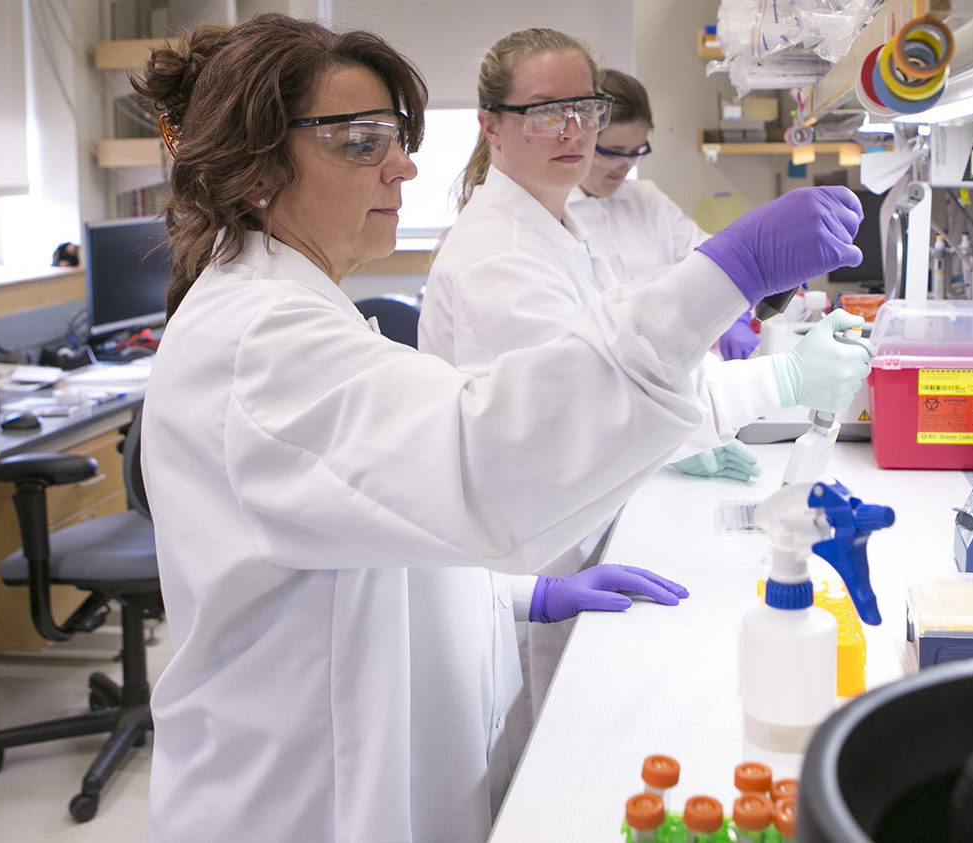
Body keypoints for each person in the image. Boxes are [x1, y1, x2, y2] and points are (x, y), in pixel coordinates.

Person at [129, 14, 863, 843]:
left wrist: (525, 596)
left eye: (397, 136)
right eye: (361, 141)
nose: (404, 166)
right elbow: (486, 460)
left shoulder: (296, 308)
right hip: (299, 805)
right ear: (257, 167)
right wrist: (729, 276)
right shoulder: (259, 341)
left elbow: (386, 522)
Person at [420, 30, 873, 482]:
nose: (574, 131)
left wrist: (777, 378)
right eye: (546, 112)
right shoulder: (498, 257)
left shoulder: (558, 230)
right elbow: (587, 415)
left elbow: (629, 367)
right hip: (530, 542)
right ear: (491, 126)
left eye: (586, 109)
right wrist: (781, 376)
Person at [566, 68, 757, 361]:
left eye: (636, 151)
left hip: (683, 375)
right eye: (613, 152)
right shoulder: (558, 216)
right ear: (582, 141)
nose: (625, 165)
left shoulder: (647, 199)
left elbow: (712, 257)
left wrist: (737, 316)